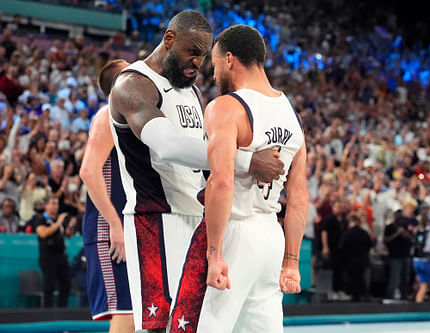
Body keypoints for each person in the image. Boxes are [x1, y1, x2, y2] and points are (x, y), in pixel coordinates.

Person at [109, 11, 283, 332]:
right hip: (155, 220)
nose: (198, 62)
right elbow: (168, 146)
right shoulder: (133, 85)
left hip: (196, 218)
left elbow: (207, 162)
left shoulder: (191, 91)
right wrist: (246, 160)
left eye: (204, 56)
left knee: (192, 323)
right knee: (157, 326)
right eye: (193, 51)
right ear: (169, 39)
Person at [197, 24, 308, 333]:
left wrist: (215, 254)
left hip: (236, 233)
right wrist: (291, 262)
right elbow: (298, 197)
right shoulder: (292, 117)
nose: (215, 74)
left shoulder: (226, 107)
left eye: (216, 64)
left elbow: (221, 182)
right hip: (271, 238)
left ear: (230, 59)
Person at [79, 59, 134, 332]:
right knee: (126, 313)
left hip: (128, 224)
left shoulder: (130, 117)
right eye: (132, 71)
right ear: (121, 83)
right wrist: (115, 225)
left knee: (140, 315)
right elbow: (88, 172)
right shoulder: (107, 115)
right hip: (110, 227)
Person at [32, 196, 72, 308]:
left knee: (66, 285)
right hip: (48, 257)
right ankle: (47, 314)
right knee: (49, 286)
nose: (56, 206)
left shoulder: (58, 220)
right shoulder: (40, 218)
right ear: (46, 206)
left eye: (57, 203)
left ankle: (62, 312)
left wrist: (71, 226)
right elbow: (43, 233)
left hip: (61, 256)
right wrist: (58, 223)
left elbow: (68, 234)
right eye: (53, 203)